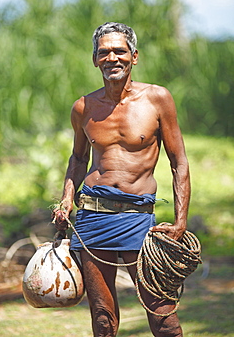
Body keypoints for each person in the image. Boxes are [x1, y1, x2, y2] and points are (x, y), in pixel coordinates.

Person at [53, 22, 190, 337]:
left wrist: (180, 221)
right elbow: (78, 159)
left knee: (163, 319)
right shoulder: (83, 108)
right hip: (92, 218)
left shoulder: (158, 99)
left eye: (119, 51)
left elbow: (178, 161)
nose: (112, 58)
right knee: (103, 320)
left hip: (138, 220)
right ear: (95, 59)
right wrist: (65, 201)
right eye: (104, 52)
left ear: (134, 56)